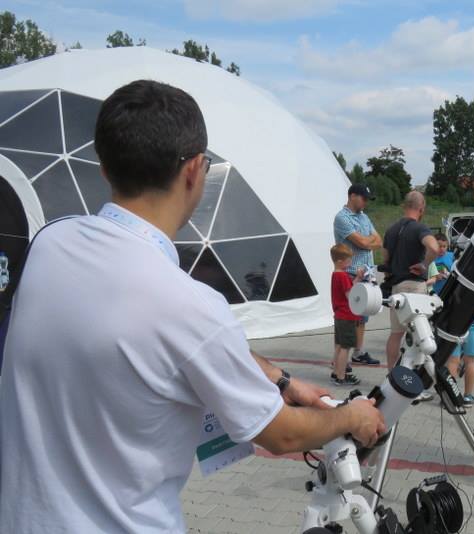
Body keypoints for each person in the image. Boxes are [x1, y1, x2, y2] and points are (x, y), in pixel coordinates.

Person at [0, 80, 385, 533]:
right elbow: (281, 434)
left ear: (104, 168)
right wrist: (350, 416)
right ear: (194, 170)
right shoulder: (190, 305)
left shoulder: (51, 242)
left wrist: (279, 379)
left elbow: (180, 342)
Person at [382, 191, 439, 371]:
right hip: (415, 287)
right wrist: (424, 264)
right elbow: (434, 248)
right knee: (419, 335)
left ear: (404, 206)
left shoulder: (391, 230)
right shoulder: (420, 228)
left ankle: (392, 374)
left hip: (397, 287)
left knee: (395, 334)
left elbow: (385, 260)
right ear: (421, 208)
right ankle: (414, 376)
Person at [333, 183, 382, 366]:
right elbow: (363, 242)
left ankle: (358, 352)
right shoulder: (342, 218)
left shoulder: (364, 217)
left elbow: (378, 241)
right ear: (352, 196)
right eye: (363, 198)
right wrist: (368, 241)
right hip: (351, 274)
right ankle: (341, 358)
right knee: (347, 318)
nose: (365, 202)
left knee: (362, 317)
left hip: (366, 273)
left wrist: (367, 241)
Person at [330, 244, 364, 386]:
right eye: (348, 261)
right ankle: (341, 376)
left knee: (339, 345)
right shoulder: (343, 276)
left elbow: (348, 288)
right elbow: (350, 296)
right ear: (340, 261)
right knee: (346, 347)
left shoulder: (336, 274)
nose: (350, 263)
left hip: (339, 315)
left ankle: (336, 372)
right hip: (347, 316)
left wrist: (357, 278)